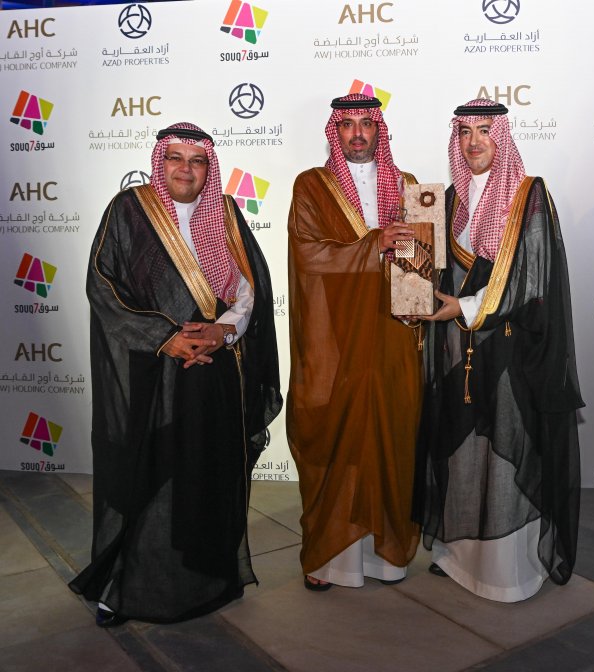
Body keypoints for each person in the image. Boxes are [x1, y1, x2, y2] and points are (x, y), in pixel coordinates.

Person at [69, 122, 282, 625]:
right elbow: (102, 283)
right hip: (152, 371)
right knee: (147, 477)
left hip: (214, 369)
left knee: (208, 470)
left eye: (197, 160)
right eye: (176, 158)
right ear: (159, 162)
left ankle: (206, 573)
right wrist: (164, 336)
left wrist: (223, 332)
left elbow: (251, 287)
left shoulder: (225, 213)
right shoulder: (130, 210)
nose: (186, 169)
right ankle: (124, 588)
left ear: (209, 167)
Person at [413, 100, 584, 602]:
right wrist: (406, 264)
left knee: (506, 450)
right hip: (455, 350)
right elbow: (426, 271)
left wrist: (464, 307)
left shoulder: (528, 195)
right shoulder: (445, 200)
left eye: (485, 131)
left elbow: (530, 277)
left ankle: (507, 570)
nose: (474, 142)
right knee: (461, 450)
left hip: (511, 350)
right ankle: (457, 555)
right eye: (464, 132)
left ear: (502, 136)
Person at [287, 94, 422, 590]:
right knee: (334, 434)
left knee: (391, 432)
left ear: (379, 130)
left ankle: (387, 555)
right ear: (335, 131)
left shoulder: (408, 185)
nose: (358, 133)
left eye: (367, 123)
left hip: (392, 334)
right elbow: (308, 255)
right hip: (334, 334)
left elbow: (418, 264)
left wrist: (419, 288)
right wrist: (372, 245)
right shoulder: (311, 185)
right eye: (348, 124)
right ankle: (330, 557)